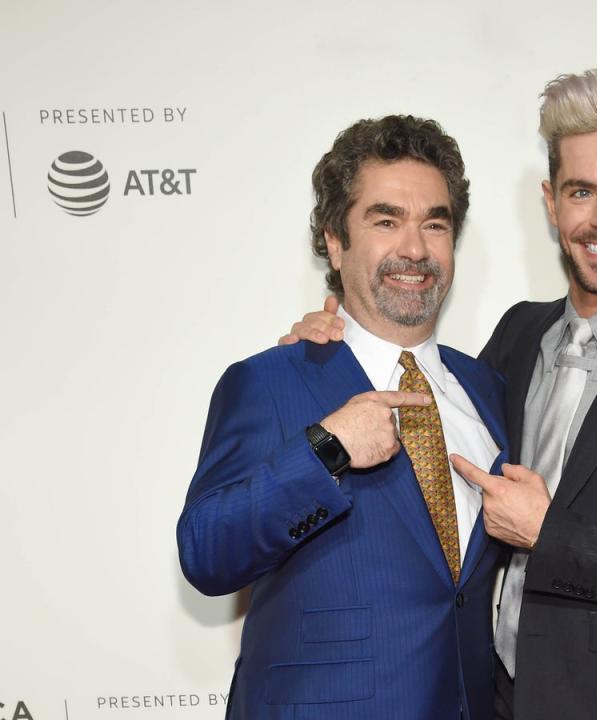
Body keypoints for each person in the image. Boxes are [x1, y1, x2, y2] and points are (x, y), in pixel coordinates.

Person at [283, 69, 597, 720]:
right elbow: (433, 449)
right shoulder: (521, 333)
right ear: (551, 202)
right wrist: (341, 345)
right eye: (581, 191)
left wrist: (552, 536)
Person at [178, 115, 507, 720]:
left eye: (434, 224)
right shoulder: (269, 381)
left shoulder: (485, 388)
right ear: (334, 240)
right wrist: (324, 449)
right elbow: (205, 553)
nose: (414, 248)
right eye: (386, 221)